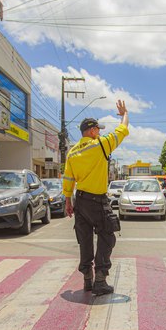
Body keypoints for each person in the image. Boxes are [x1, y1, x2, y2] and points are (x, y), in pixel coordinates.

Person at [63, 100, 129, 296]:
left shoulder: (72, 152)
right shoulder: (100, 145)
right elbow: (122, 130)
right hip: (98, 201)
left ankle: (87, 280)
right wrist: (124, 113)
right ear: (92, 131)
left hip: (80, 201)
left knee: (84, 240)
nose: (99, 132)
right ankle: (100, 279)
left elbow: (68, 179)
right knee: (107, 236)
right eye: (97, 130)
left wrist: (68, 201)